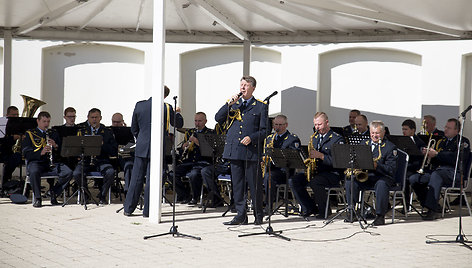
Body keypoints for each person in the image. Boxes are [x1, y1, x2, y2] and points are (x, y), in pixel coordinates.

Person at [124, 85, 183, 217]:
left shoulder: (140, 105)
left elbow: (134, 128)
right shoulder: (167, 108)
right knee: (154, 180)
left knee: (136, 178)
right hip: (158, 147)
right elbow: (178, 124)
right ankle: (148, 211)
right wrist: (177, 112)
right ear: (165, 96)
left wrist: (142, 139)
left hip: (142, 146)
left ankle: (128, 208)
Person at [215, 75, 267, 225]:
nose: (242, 88)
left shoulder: (260, 106)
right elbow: (218, 118)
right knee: (237, 185)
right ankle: (241, 215)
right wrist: (228, 104)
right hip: (234, 150)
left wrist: (252, 137)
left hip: (251, 152)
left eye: (245, 85)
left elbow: (264, 130)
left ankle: (258, 215)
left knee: (254, 185)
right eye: (241, 85)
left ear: (253, 88)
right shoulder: (234, 104)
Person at [409, 118, 470, 220]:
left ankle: (431, 210)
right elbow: (436, 160)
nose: (445, 129)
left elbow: (457, 158)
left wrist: (437, 154)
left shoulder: (463, 141)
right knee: (414, 178)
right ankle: (431, 205)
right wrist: (428, 154)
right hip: (438, 172)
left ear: (457, 130)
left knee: (436, 175)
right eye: (445, 127)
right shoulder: (442, 142)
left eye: (449, 128)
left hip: (454, 173)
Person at [289, 112, 344, 219]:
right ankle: (310, 207)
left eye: (319, 124)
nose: (317, 127)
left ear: (327, 123)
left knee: (316, 182)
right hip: (317, 172)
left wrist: (322, 156)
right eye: (315, 125)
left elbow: (339, 162)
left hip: (332, 173)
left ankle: (325, 211)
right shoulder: (314, 138)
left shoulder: (337, 139)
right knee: (294, 180)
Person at [345, 120, 398, 226]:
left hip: (382, 176)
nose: (374, 136)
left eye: (377, 133)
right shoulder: (364, 144)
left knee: (381, 185)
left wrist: (377, 166)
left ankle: (380, 216)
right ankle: (353, 211)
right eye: (372, 133)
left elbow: (391, 170)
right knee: (350, 180)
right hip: (367, 176)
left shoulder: (390, 147)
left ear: (383, 133)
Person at [22, 111, 73, 207]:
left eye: (48, 122)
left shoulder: (53, 133)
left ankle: (54, 192)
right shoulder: (30, 134)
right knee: (34, 171)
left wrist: (56, 145)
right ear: (38, 121)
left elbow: (63, 150)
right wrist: (40, 152)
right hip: (37, 162)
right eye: (44, 121)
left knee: (68, 172)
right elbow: (26, 152)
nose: (46, 124)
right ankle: (37, 198)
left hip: (51, 163)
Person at [73, 108, 118, 204]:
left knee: (110, 172)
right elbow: (76, 149)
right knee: (76, 173)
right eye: (92, 117)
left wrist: (103, 144)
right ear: (88, 118)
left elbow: (113, 151)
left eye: (96, 117)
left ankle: (102, 195)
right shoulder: (82, 131)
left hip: (102, 160)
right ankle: (86, 194)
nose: (94, 120)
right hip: (86, 160)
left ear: (100, 118)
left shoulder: (107, 132)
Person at [262, 115, 301, 212]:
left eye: (280, 125)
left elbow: (294, 159)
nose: (277, 127)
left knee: (268, 177)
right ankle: (255, 203)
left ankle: (268, 206)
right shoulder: (269, 138)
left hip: (285, 171)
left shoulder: (292, 139)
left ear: (286, 125)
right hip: (271, 169)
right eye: (275, 125)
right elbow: (263, 154)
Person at [174, 112, 214, 205]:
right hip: (190, 162)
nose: (197, 123)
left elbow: (210, 151)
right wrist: (184, 147)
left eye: (199, 121)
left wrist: (197, 142)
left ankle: (195, 197)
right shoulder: (190, 133)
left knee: (194, 174)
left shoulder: (209, 133)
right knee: (173, 174)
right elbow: (182, 153)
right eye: (195, 121)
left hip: (202, 162)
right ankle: (185, 195)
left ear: (205, 121)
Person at [0, 106, 22, 193]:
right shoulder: (3, 125)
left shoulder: (19, 125)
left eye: (17, 115)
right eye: (13, 115)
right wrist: (13, 138)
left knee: (17, 157)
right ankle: (5, 182)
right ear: (7, 115)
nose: (16, 117)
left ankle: (7, 182)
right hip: (2, 151)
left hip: (10, 152)